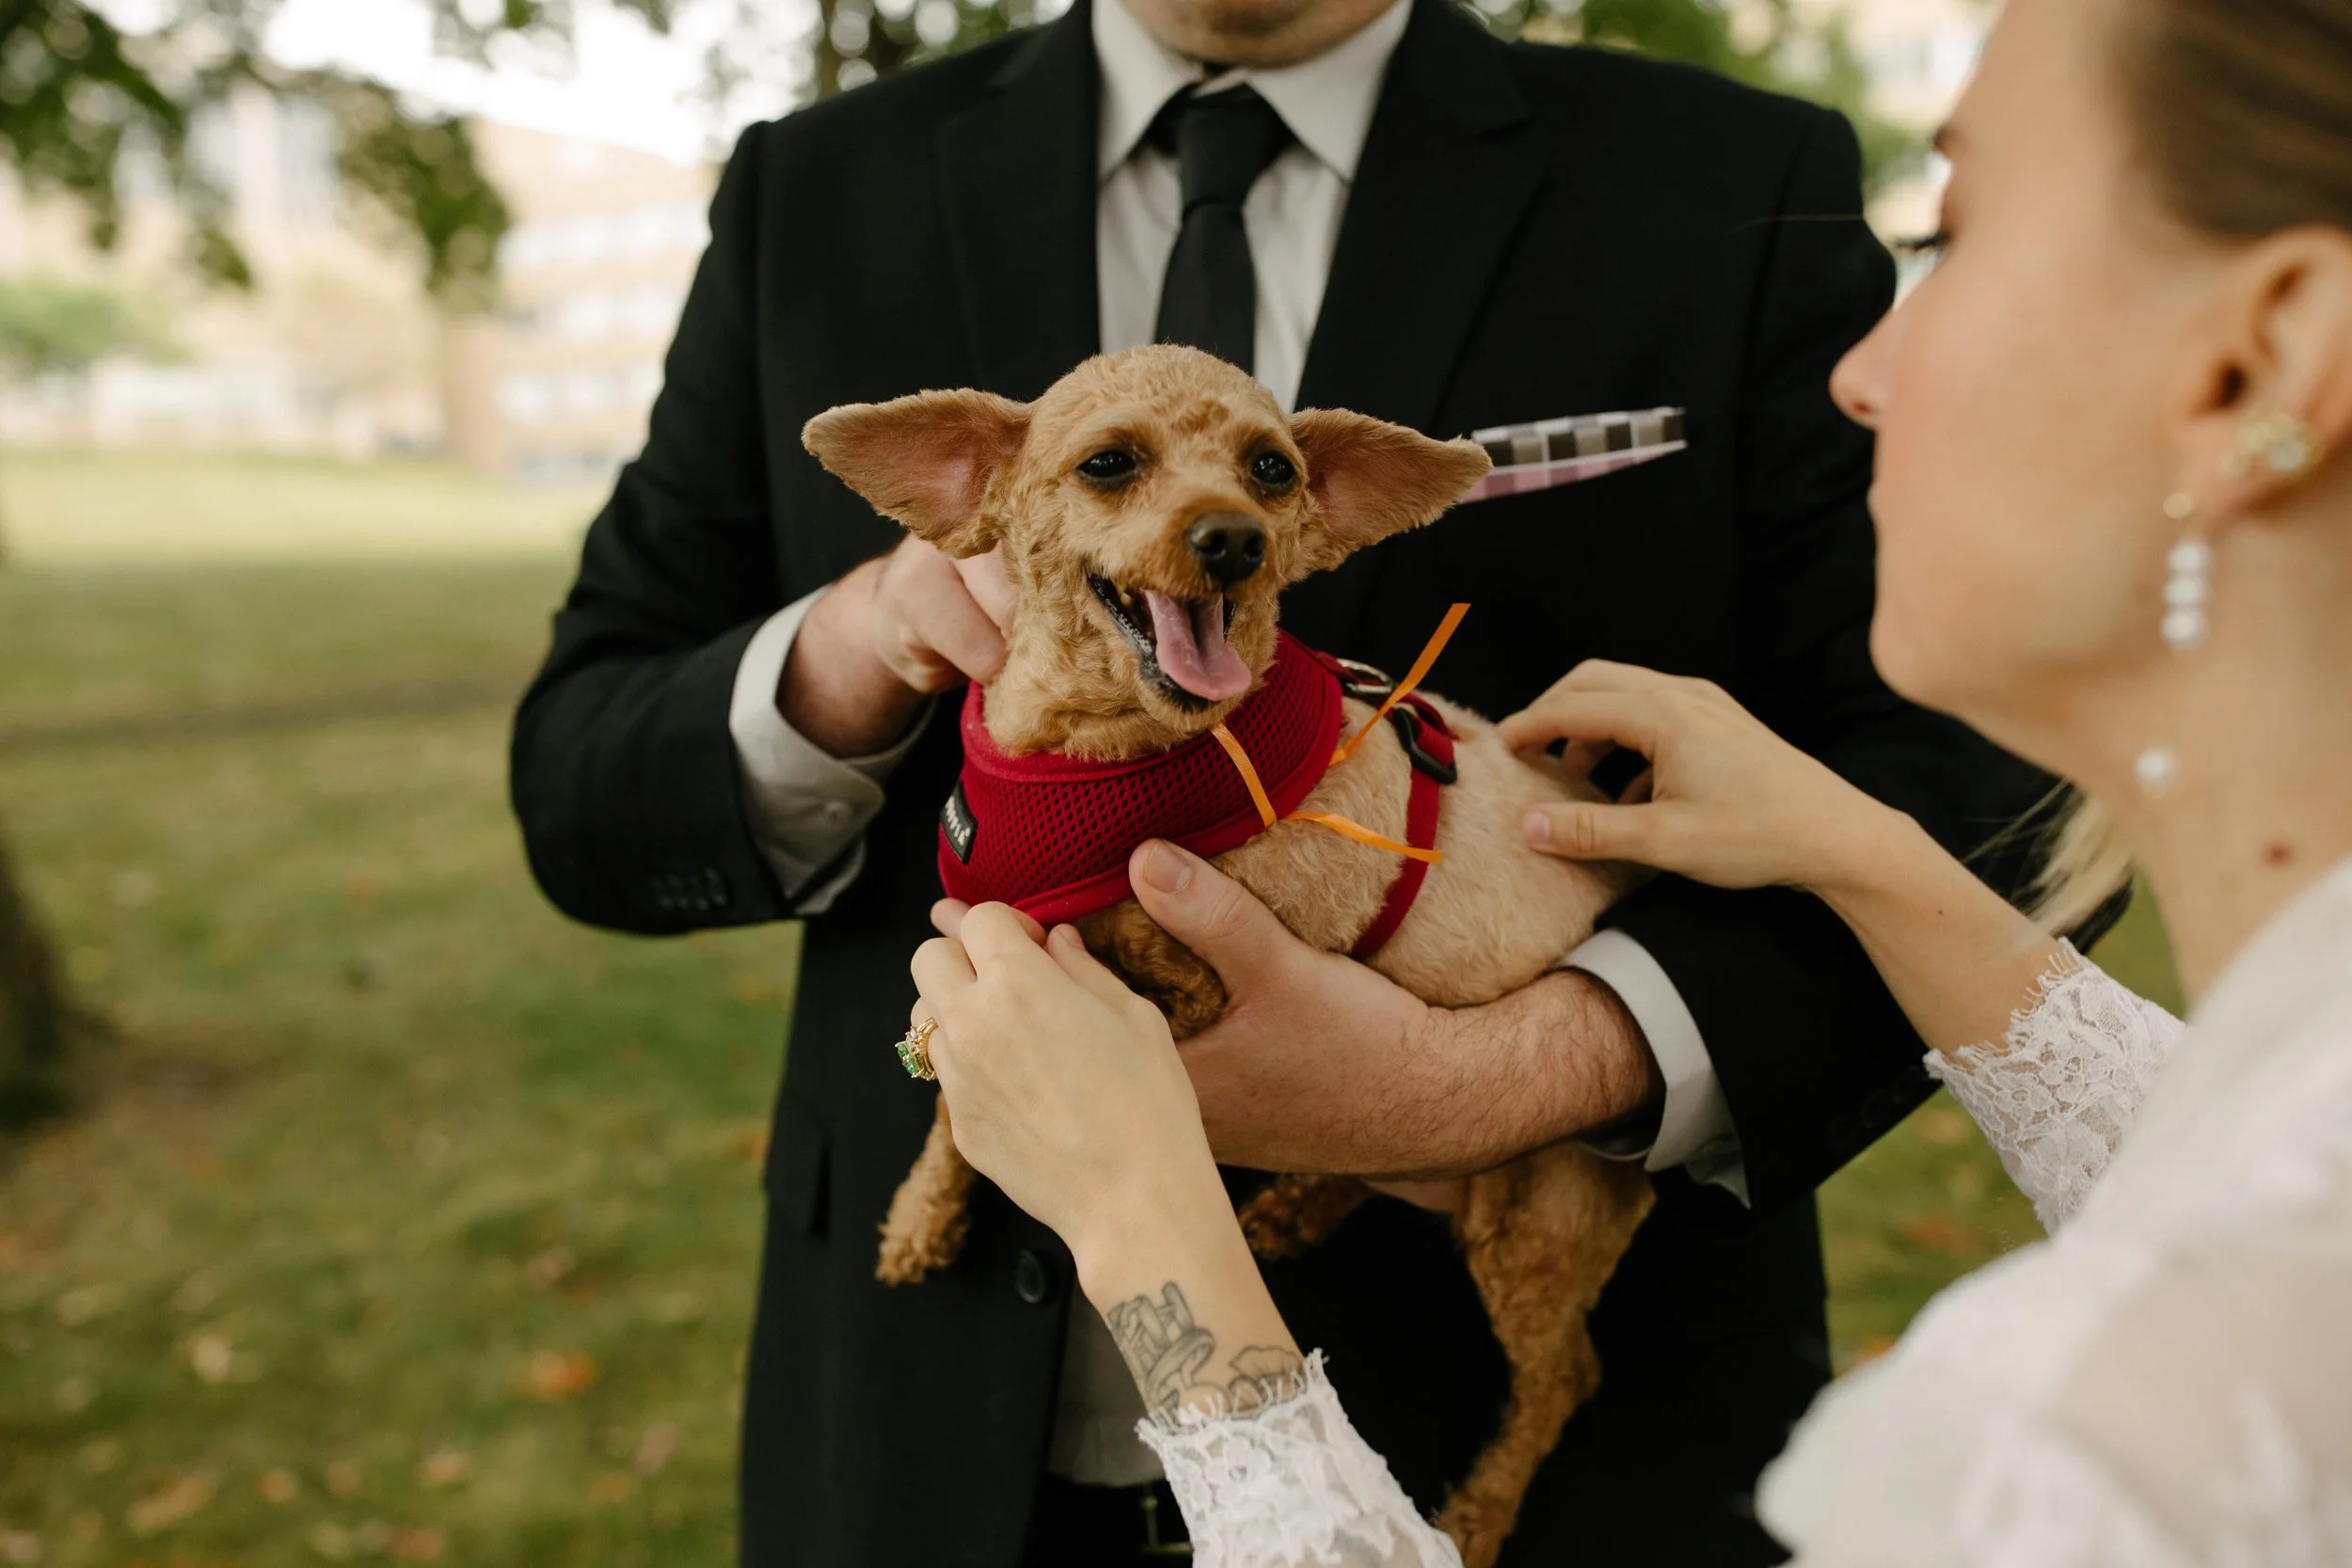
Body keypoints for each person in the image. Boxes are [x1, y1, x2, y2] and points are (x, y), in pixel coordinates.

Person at [507, 0, 2067, 1559]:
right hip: (925, 1454)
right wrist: (856, 642)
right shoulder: (815, 183)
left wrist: (1535, 1066)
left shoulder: (1729, 173)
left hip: (1565, 1462)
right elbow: (580, 769)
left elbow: (2006, 773)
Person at [906, 0, 2352, 1560]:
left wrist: (1146, 1224)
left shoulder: (2061, 1454)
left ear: (2259, 365)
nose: (1863, 372)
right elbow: (2193, 1169)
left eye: (1950, 239)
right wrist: (1861, 854)